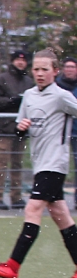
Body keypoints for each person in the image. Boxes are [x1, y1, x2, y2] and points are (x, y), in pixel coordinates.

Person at [0, 50, 77, 278]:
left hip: (55, 163)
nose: (40, 73)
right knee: (61, 216)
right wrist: (21, 128)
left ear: (55, 71)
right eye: (36, 69)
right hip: (40, 163)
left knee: (33, 208)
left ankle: (12, 265)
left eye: (45, 69)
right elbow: (20, 130)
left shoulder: (62, 97)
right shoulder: (29, 95)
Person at [0, 50, 33, 210]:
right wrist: (10, 101)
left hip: (22, 128)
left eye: (23, 60)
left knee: (17, 164)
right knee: (2, 164)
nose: (20, 63)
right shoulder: (2, 79)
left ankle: (16, 196)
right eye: (18, 60)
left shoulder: (29, 81)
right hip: (5, 128)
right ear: (13, 61)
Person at [59, 57, 77, 209]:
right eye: (67, 66)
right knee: (58, 166)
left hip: (76, 131)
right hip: (59, 133)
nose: (70, 69)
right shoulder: (56, 86)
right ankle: (56, 198)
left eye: (73, 67)